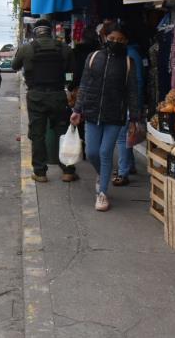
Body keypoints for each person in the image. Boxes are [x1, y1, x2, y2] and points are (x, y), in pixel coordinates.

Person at [70, 24, 139, 211]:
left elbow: (133, 92)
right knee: (92, 152)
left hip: (115, 115)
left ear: (125, 42)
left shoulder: (128, 62)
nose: (115, 42)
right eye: (112, 39)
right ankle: (102, 175)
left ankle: (102, 194)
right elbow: (84, 85)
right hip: (92, 113)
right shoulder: (92, 58)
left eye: (120, 40)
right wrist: (77, 109)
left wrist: (134, 119)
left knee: (105, 152)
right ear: (104, 38)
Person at [12, 18, 77, 183]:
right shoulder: (64, 49)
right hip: (58, 96)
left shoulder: (26, 48)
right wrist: (66, 84)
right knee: (62, 132)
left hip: (36, 96)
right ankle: (68, 171)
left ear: (35, 31)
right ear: (51, 31)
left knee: (37, 134)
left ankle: (40, 172)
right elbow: (71, 73)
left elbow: (14, 66)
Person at [113, 36, 145, 185]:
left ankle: (122, 172)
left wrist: (135, 108)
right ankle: (129, 166)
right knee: (127, 136)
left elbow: (136, 83)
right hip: (126, 103)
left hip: (126, 104)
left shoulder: (129, 56)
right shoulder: (131, 54)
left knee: (122, 138)